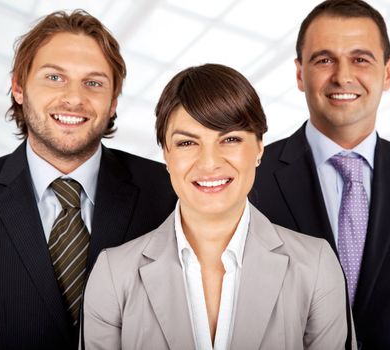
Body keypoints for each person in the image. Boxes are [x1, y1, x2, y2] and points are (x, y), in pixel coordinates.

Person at [0, 10, 176, 350]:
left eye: (93, 83)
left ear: (113, 102)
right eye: (54, 77)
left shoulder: (168, 192)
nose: (74, 98)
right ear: (19, 88)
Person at [82, 63, 352, 350]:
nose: (209, 162)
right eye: (187, 143)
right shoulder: (114, 274)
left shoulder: (316, 267)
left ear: (260, 148)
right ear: (166, 155)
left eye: (231, 139)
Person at [252, 0, 390, 349]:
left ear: (387, 72)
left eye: (360, 59)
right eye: (324, 59)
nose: (343, 76)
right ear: (299, 73)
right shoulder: (251, 179)